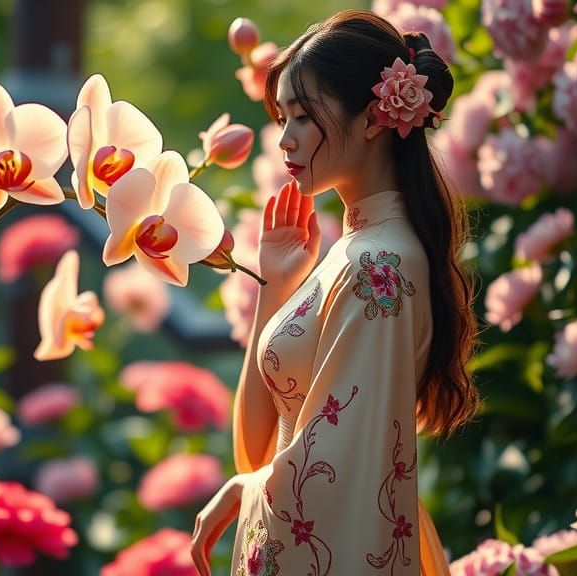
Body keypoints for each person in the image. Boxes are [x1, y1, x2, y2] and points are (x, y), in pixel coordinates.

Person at [190, 9, 478, 576]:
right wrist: (275, 285)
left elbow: (337, 467)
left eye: (303, 116)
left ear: (375, 116)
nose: (285, 138)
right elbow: (260, 451)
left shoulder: (379, 265)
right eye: (283, 117)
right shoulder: (354, 253)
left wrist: (246, 489)